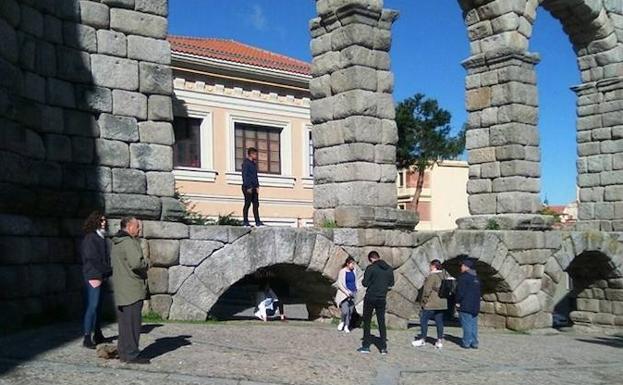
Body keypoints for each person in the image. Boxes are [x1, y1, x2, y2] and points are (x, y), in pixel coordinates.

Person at [111, 217, 150, 364]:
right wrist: (147, 263)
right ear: (129, 226)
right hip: (132, 289)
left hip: (122, 288)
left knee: (124, 325)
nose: (139, 229)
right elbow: (136, 263)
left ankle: (123, 352)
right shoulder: (128, 242)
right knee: (133, 324)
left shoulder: (116, 242)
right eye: (137, 227)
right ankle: (132, 354)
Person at [80, 211, 112, 349]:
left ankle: (97, 333)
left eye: (105, 220)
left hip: (101, 275)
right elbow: (92, 258)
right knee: (92, 307)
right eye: (101, 220)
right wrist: (107, 270)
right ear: (95, 222)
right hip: (94, 275)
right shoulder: (90, 238)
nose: (104, 222)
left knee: (98, 307)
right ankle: (87, 337)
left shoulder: (101, 237)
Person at [358, 251, 394, 355]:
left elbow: (365, 283)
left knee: (367, 321)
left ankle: (366, 346)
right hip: (382, 298)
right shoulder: (389, 269)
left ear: (371, 259)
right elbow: (391, 284)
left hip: (370, 297)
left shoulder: (371, 268)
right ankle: (383, 348)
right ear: (378, 257)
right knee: (381, 321)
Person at [412, 259, 447, 349]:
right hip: (442, 303)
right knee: (439, 322)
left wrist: (423, 302)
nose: (429, 268)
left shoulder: (432, 276)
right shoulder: (444, 275)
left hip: (431, 303)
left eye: (430, 266)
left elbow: (427, 290)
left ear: (433, 266)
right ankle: (439, 341)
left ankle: (423, 339)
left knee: (424, 320)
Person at [455, 257, 481, 349]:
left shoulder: (463, 277)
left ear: (466, 267)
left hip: (465, 304)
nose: (461, 267)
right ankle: (474, 342)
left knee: (466, 324)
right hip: (475, 305)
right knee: (473, 325)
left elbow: (460, 292)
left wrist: (457, 301)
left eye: (462, 266)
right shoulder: (476, 278)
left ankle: (466, 342)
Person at [335, 256, 359, 333]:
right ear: (347, 263)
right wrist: (346, 292)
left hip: (353, 292)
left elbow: (356, 281)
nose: (353, 265)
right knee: (345, 311)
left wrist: (357, 289)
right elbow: (339, 283)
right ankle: (342, 321)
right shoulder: (342, 271)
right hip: (344, 294)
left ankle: (346, 326)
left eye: (354, 264)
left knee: (350, 311)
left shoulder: (354, 271)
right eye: (352, 264)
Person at [241, 147, 264, 227]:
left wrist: (257, 186)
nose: (256, 156)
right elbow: (245, 176)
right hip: (248, 187)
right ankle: (245, 221)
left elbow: (255, 176)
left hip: (254, 187)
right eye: (255, 154)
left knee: (256, 204)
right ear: (251, 154)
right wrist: (248, 187)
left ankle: (257, 222)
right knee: (247, 204)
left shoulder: (253, 164)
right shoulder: (246, 163)